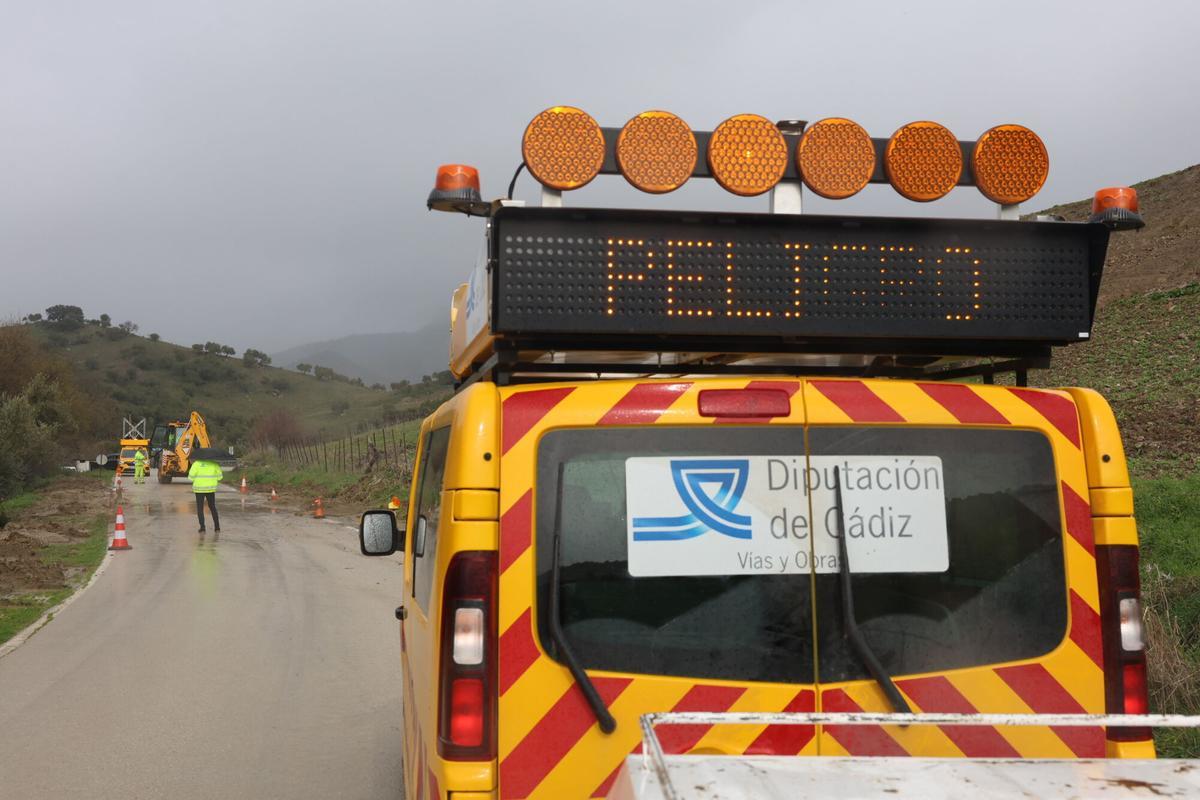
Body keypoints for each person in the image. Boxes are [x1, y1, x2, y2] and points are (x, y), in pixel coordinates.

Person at [188, 453, 223, 533]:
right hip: (210, 489)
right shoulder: (214, 464)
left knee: (200, 509)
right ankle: (217, 527)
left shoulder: (196, 464)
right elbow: (220, 477)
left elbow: (190, 477)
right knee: (212, 507)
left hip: (199, 489)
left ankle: (202, 528)